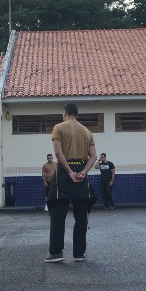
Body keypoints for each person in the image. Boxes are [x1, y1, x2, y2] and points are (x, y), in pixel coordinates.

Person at [45, 102, 96, 262]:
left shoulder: (59, 128)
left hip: (64, 172)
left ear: (64, 113)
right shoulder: (87, 131)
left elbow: (58, 153)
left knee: (58, 215)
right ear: (77, 114)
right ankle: (79, 253)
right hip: (82, 170)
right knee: (81, 216)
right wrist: (82, 172)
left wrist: (69, 172)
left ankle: (56, 253)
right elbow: (93, 157)